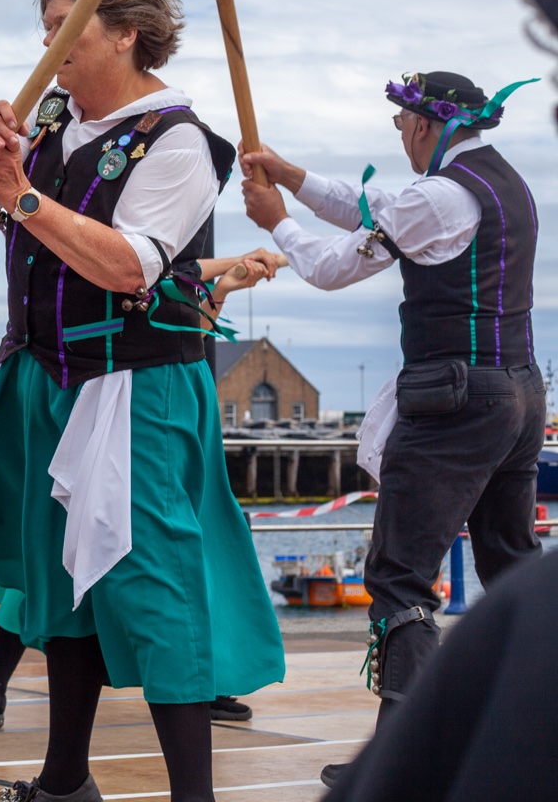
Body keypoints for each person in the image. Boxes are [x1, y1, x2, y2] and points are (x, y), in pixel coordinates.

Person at [0, 0, 286, 802]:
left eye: (66, 29)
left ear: (128, 33)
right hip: (47, 376)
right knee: (61, 585)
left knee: (154, 585)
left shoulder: (179, 142)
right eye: (45, 29)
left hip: (138, 383)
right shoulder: (51, 122)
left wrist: (22, 195)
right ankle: (65, 781)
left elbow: (129, 265)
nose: (48, 46)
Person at [240, 70, 540, 788]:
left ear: (427, 125)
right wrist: (289, 175)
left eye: (402, 125)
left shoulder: (437, 197)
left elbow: (329, 267)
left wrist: (275, 220)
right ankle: (529, 738)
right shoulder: (502, 184)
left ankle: (408, 767)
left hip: (455, 400)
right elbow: (372, 206)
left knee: (399, 578)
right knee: (512, 570)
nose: (401, 137)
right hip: (521, 392)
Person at [0, 250, 282, 739]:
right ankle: (3, 689)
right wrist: (227, 269)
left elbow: (172, 288)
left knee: (149, 554)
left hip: (134, 391)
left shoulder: (157, 247)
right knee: (50, 550)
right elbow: (152, 270)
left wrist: (224, 282)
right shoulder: (102, 244)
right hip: (70, 380)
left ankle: (195, 679)